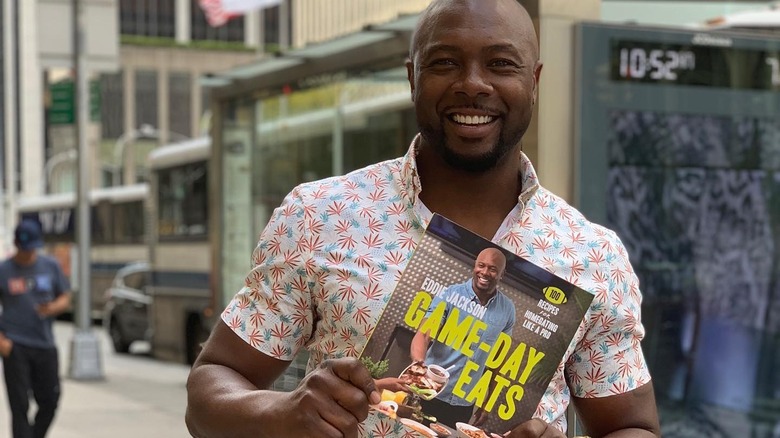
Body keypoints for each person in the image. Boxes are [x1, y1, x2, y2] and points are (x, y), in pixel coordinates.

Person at [185, 0, 661, 437]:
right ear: (412, 77)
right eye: (445, 62)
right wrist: (280, 414)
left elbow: (633, 426)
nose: (473, 83)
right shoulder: (319, 216)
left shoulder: (591, 254)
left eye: (500, 63)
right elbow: (211, 388)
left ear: (533, 81)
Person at [409, 247, 515, 426]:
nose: (485, 272)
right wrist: (418, 365)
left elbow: (499, 360)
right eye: (481, 265)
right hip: (428, 389)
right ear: (475, 266)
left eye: (493, 269)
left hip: (463, 404)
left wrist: (487, 404)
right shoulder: (450, 294)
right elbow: (424, 334)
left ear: (502, 274)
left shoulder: (508, 309)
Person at [0, 219, 71, 438]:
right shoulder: (4, 270)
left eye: (31, 249)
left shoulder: (50, 266)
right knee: (20, 406)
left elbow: (65, 297)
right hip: (15, 346)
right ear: (15, 245)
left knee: (50, 400)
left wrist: (53, 308)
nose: (27, 254)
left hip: (44, 343)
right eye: (23, 249)